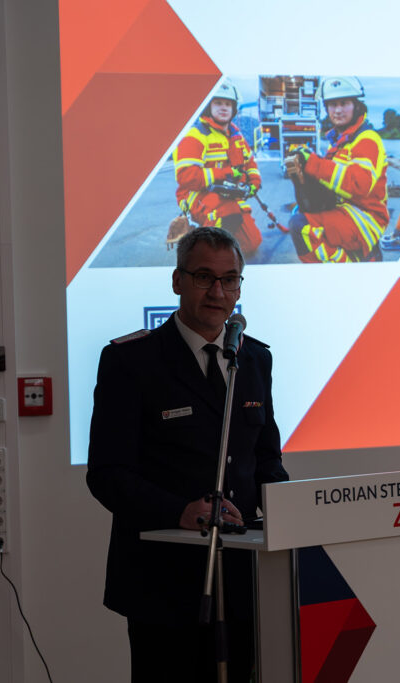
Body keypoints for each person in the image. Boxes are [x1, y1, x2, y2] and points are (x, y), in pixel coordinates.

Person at [87, 227, 288, 682]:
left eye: (229, 280)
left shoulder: (254, 359)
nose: (218, 292)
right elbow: (107, 474)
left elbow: (265, 459)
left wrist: (291, 508)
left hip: (241, 578)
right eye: (204, 277)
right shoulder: (131, 361)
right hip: (163, 583)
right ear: (177, 281)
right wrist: (179, 511)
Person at [284, 76, 389, 263]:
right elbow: (329, 181)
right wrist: (302, 174)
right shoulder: (339, 144)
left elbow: (359, 184)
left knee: (302, 226)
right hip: (345, 211)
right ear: (326, 108)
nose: (338, 110)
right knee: (301, 215)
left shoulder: (367, 139)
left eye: (344, 103)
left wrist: (313, 163)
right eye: (332, 104)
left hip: (365, 218)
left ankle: (347, 269)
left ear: (356, 106)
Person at [173, 81, 263, 256]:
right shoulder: (196, 136)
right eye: (218, 103)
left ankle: (218, 235)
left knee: (252, 242)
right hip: (197, 194)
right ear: (209, 106)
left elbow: (250, 163)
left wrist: (254, 181)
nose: (223, 108)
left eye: (228, 104)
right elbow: (186, 177)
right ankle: (199, 244)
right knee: (223, 217)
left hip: (228, 196)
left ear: (234, 109)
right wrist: (225, 173)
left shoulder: (236, 136)